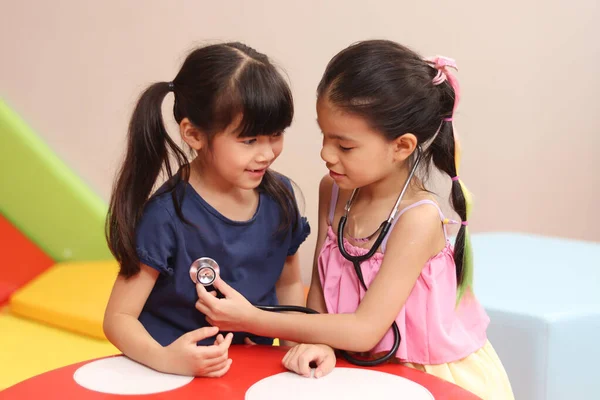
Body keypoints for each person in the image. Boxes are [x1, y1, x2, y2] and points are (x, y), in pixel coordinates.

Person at [195, 40, 514, 398]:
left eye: (344, 146)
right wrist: (318, 343)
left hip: (426, 376)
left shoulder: (418, 220)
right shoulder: (333, 191)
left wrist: (251, 318)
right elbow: (319, 286)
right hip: (354, 365)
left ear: (402, 147)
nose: (325, 153)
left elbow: (365, 331)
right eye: (324, 135)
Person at [103, 42, 310, 378]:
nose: (267, 153)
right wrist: (167, 359)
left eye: (275, 135)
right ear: (194, 134)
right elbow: (118, 319)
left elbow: (288, 286)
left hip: (247, 370)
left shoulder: (280, 196)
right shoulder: (166, 215)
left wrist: (295, 345)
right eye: (249, 141)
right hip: (173, 375)